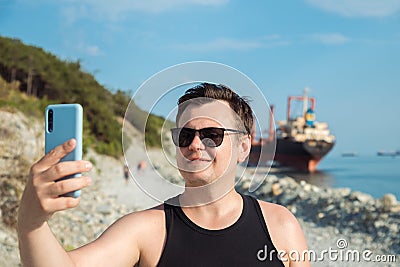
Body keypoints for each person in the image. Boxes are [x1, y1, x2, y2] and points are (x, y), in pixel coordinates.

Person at [17, 83, 310, 266]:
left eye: (212, 134)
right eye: (185, 135)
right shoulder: (146, 230)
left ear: (243, 146)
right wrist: (31, 222)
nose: (195, 144)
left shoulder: (280, 226)